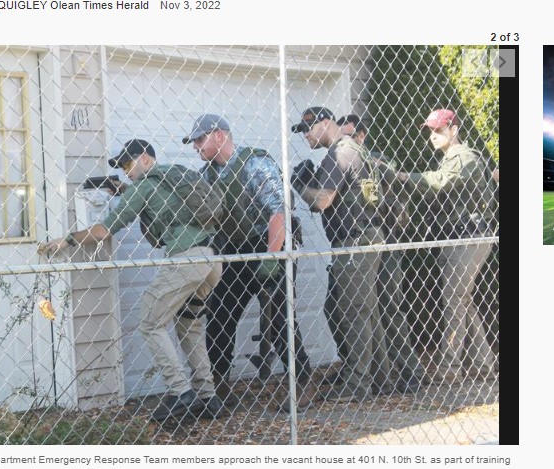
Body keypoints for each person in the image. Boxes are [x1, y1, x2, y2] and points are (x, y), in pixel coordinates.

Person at [41, 139, 226, 420]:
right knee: (190, 326)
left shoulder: (143, 186)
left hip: (185, 260)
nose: (126, 171)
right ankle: (208, 397)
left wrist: (66, 241)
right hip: (211, 260)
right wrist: (125, 191)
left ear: (145, 159)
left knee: (150, 323)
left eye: (128, 164)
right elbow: (161, 203)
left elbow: (104, 231)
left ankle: (180, 393)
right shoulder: (172, 177)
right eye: (122, 166)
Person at [183, 114, 316, 409]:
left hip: (271, 242)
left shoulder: (254, 164)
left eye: (200, 139)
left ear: (219, 135)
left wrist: (271, 258)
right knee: (219, 316)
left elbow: (278, 211)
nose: (195, 146)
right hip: (235, 249)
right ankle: (216, 388)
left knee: (280, 318)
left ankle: (303, 381)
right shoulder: (208, 175)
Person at [291, 107, 389, 401]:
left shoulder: (338, 153)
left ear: (325, 123)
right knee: (363, 312)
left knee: (351, 313)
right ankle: (380, 379)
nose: (305, 135)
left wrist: (300, 185)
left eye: (307, 128)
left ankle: (358, 386)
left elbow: (322, 201)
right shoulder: (355, 149)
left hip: (355, 241)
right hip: (366, 237)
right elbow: (374, 197)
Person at [400, 109, 496, 383]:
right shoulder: (452, 157)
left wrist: (403, 178)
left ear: (453, 129)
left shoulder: (462, 158)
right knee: (462, 299)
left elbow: (439, 183)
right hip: (461, 237)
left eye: (438, 130)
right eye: (430, 131)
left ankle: (449, 368)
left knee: (454, 300)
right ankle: (482, 363)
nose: (433, 136)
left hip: (468, 237)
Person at [337, 114, 426, 393]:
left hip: (386, 246)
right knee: (357, 310)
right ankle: (378, 373)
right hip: (361, 246)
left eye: (351, 135)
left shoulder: (377, 162)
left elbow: (395, 203)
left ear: (362, 135)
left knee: (389, 307)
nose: (346, 141)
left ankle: (412, 371)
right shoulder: (342, 158)